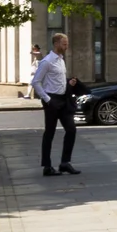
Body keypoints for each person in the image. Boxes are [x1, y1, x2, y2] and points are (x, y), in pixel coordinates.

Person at [32, 32, 80, 177]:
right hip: (51, 100)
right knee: (50, 133)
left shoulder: (61, 60)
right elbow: (35, 82)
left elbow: (57, 79)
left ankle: (65, 163)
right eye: (64, 44)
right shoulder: (47, 61)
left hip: (63, 100)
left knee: (71, 129)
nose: (67, 46)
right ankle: (47, 166)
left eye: (67, 43)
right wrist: (47, 99)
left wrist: (68, 83)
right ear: (56, 44)